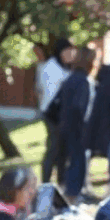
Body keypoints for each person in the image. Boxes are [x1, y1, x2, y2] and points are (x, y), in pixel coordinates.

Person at [55, 46, 100, 203]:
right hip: (78, 129)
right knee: (77, 162)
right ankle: (73, 197)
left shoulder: (71, 78)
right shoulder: (84, 81)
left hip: (66, 126)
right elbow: (79, 107)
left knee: (71, 162)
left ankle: (71, 193)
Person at [38, 38, 75, 184]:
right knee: (53, 150)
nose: (71, 54)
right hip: (52, 115)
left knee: (63, 152)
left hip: (64, 116)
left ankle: (61, 183)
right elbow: (50, 95)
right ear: (60, 52)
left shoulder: (67, 67)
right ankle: (45, 183)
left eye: (72, 51)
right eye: (68, 51)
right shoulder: (51, 68)